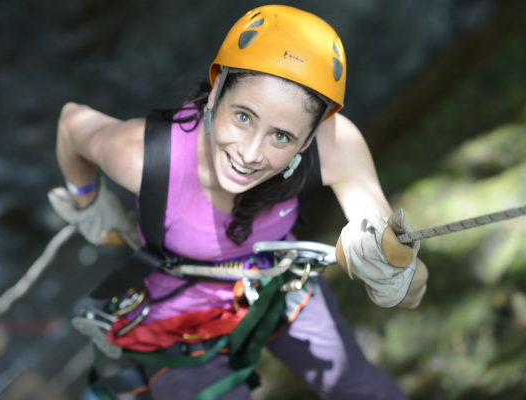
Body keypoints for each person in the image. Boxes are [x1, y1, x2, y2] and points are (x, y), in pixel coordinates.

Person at [50, 5, 428, 399]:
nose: (249, 153)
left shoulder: (335, 146)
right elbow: (71, 122)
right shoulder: (146, 157)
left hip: (279, 283)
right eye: (243, 116)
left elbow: (401, 265)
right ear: (216, 93)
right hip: (178, 314)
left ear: (310, 137)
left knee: (365, 391)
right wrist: (87, 201)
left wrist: (397, 271)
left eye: (281, 137)